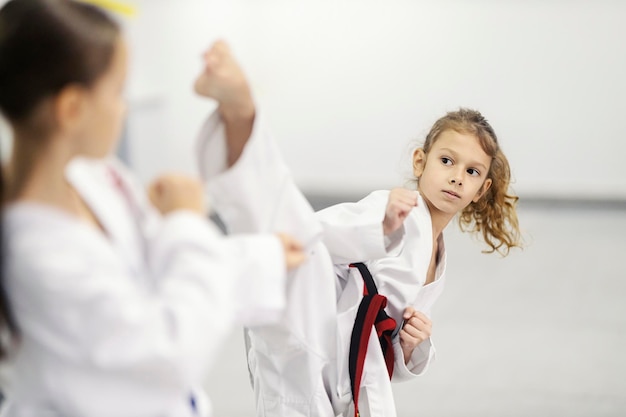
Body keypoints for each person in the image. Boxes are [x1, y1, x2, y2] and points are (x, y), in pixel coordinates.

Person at [0, 1, 304, 416]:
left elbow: (152, 268)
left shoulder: (97, 178)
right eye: (118, 92)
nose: (125, 108)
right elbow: (169, 349)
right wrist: (184, 220)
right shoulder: (40, 255)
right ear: (72, 108)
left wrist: (259, 257)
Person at [194, 42, 521, 417]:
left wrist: (416, 346)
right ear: (420, 161)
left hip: (350, 375)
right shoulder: (398, 207)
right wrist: (381, 228)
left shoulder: (438, 258)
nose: (456, 177)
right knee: (282, 222)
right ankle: (239, 117)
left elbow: (391, 351)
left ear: (482, 190)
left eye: (471, 171)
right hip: (313, 321)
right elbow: (315, 232)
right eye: (447, 160)